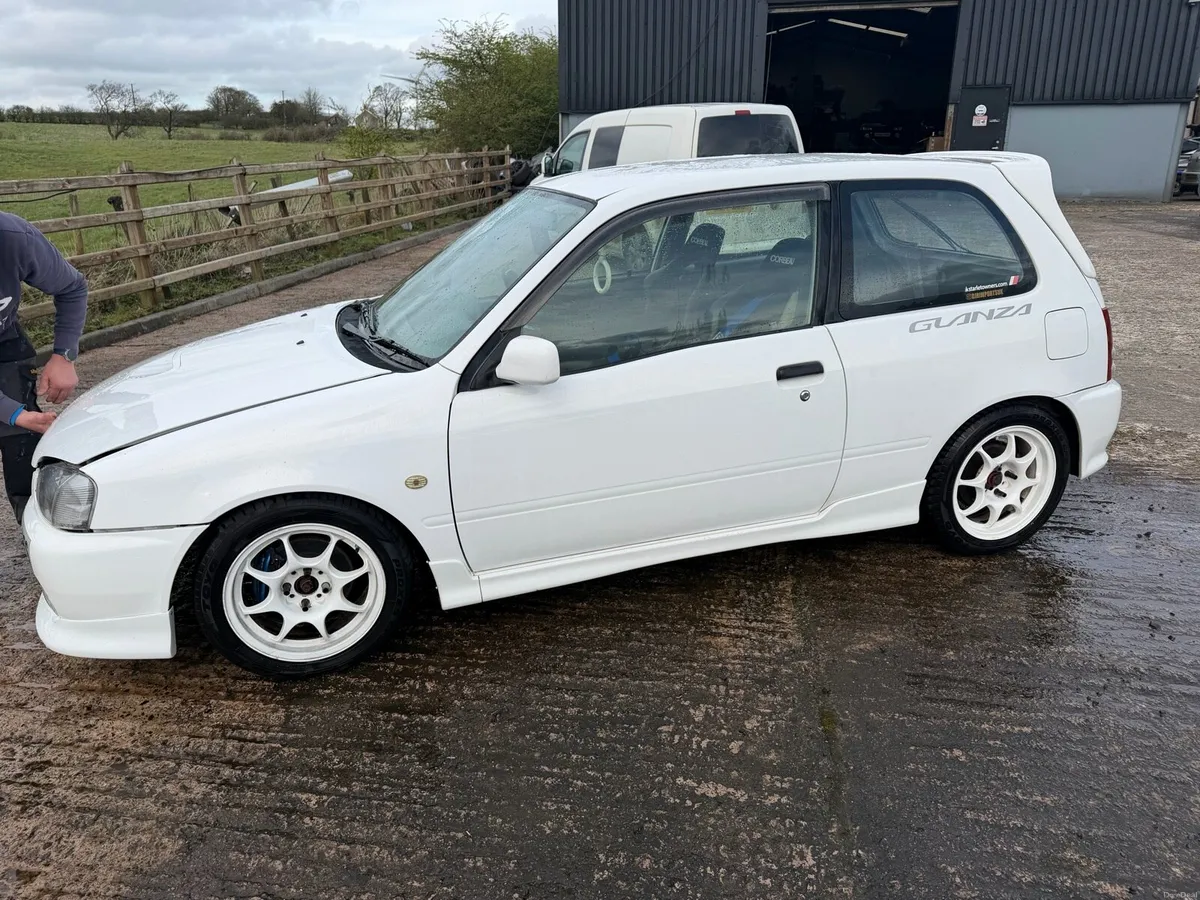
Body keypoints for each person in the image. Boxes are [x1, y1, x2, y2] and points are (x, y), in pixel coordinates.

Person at [0, 211, 87, 524]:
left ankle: (34, 530)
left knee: (22, 443)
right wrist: (13, 412)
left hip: (5, 342)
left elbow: (72, 287)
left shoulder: (13, 238)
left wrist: (63, 355)